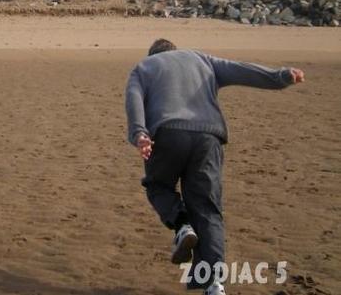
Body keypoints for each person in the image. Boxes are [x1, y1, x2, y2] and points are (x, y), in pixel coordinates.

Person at [125, 39, 304, 295]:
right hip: (208, 138)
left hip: (166, 135)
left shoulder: (143, 67)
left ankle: (181, 223)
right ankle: (214, 285)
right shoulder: (201, 59)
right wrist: (282, 76)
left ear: (153, 55)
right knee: (207, 208)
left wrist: (139, 134)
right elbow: (241, 70)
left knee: (157, 186)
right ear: (176, 52)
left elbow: (133, 100)